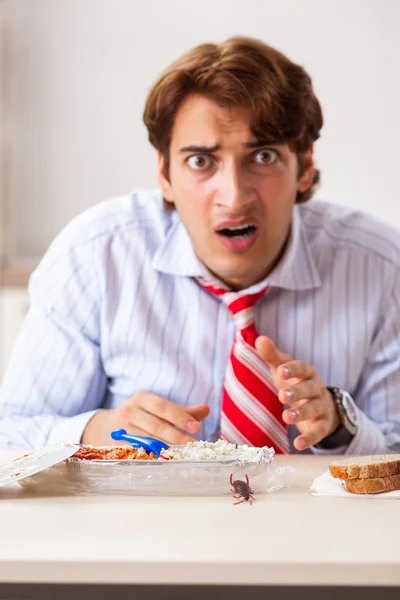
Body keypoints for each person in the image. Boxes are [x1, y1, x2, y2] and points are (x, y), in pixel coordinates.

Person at [0, 36, 399, 455]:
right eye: (200, 161)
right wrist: (98, 430)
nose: (234, 195)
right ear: (165, 176)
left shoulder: (381, 265)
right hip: (137, 520)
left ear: (305, 167)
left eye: (262, 157)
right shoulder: (95, 256)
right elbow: (10, 436)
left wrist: (341, 425)